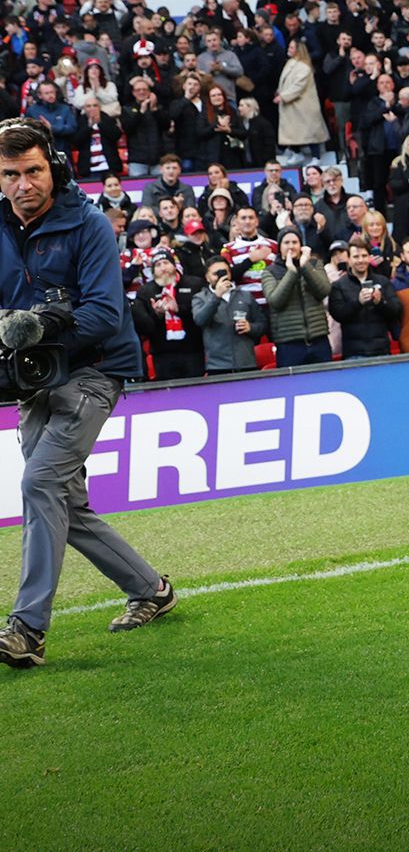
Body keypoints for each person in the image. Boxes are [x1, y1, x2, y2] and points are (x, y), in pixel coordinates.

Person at [0, 119, 177, 667]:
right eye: (10, 174)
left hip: (97, 369)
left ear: (51, 165)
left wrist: (40, 324)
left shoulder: (90, 223)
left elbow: (104, 312)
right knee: (63, 502)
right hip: (36, 377)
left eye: (32, 171)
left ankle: (27, 630)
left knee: (39, 482)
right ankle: (151, 589)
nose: (23, 184)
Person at [263, 228, 335, 367]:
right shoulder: (270, 271)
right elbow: (275, 301)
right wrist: (291, 272)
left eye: (295, 242)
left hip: (318, 339)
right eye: (286, 242)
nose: (291, 246)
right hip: (289, 344)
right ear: (280, 247)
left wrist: (304, 266)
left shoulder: (314, 264)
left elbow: (324, 290)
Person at [130, 250, 205, 380]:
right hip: (163, 354)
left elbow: (203, 316)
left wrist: (178, 309)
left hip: (193, 351)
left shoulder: (194, 284)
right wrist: (157, 314)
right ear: (153, 271)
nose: (163, 268)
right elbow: (144, 328)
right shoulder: (145, 292)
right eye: (158, 265)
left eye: (166, 262)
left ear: (175, 265)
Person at [328, 235, 401, 358]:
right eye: (356, 257)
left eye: (364, 256)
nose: (360, 260)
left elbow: (397, 309)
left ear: (369, 258)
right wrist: (358, 302)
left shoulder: (383, 281)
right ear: (349, 260)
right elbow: (338, 313)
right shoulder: (339, 285)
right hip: (354, 353)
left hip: (381, 350)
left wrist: (380, 302)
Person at [192, 255, 268, 373]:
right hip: (218, 367)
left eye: (225, 272)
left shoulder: (245, 296)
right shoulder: (200, 298)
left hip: (246, 363)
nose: (221, 276)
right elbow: (200, 320)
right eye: (216, 273)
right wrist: (216, 296)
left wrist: (251, 327)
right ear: (207, 277)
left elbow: (262, 324)